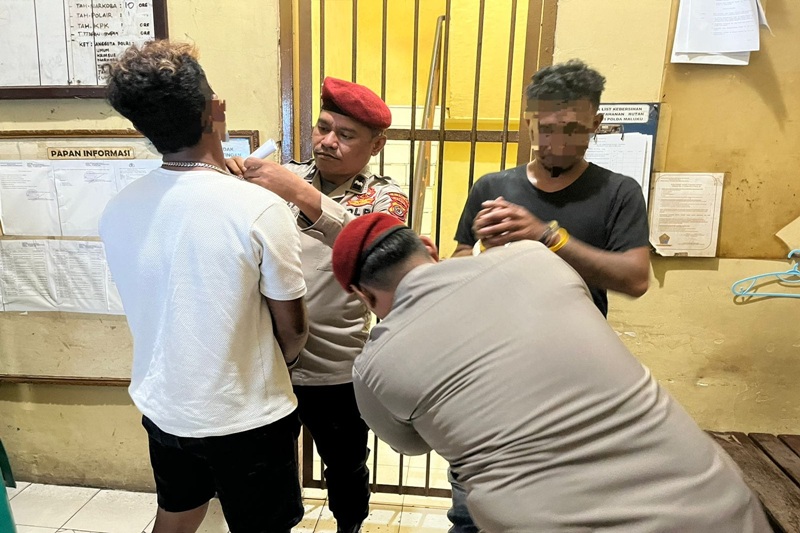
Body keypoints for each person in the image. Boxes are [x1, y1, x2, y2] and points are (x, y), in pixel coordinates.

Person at [330, 212, 771, 533]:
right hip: (721, 509)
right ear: (428, 247)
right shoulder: (535, 259)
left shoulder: (373, 367)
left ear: (363, 296)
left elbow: (411, 445)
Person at [99, 40, 308, 533]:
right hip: (248, 416)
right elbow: (294, 329)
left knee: (176, 515)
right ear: (216, 108)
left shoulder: (119, 207)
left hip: (166, 407)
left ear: (143, 127)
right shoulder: (258, 208)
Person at [449, 59, 652, 531]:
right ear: (529, 123)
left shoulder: (619, 192)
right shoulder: (492, 187)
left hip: (574, 380)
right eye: (546, 128)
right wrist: (477, 253)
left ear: (596, 124)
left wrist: (547, 236)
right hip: (490, 373)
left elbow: (635, 278)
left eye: (574, 129)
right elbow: (459, 262)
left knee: (558, 508)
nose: (557, 142)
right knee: (472, 510)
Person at [226, 76, 409, 533]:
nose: (327, 141)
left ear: (376, 145)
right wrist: (226, 184)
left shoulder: (386, 196)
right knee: (270, 467)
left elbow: (376, 248)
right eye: (323, 127)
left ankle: (350, 526)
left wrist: (299, 193)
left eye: (345, 135)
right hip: (269, 361)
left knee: (346, 465)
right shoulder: (281, 175)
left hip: (337, 367)